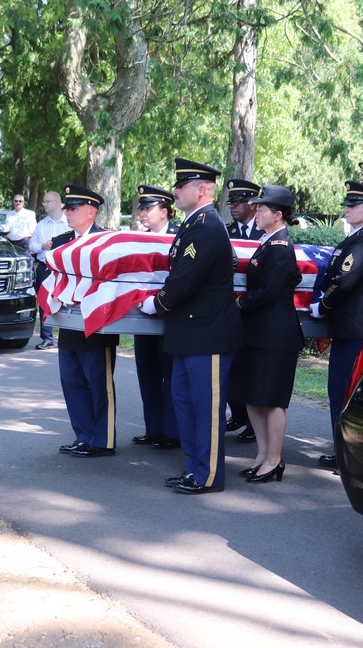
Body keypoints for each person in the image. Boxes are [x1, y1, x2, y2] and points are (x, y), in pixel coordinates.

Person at [139, 159, 242, 494]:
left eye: (181, 186)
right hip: (189, 333)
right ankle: (194, 467)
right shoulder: (193, 224)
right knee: (184, 401)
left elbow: (185, 278)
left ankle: (209, 475)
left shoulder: (207, 226)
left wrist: (158, 303)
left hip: (207, 334)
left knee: (206, 408)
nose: (175, 191)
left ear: (201, 190)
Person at [310, 181, 363, 470]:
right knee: (338, 389)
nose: (347, 209)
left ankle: (351, 455)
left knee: (348, 390)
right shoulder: (357, 237)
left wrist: (323, 305)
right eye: (347, 204)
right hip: (348, 327)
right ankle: (343, 450)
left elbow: (345, 279)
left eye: (353, 205)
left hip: (357, 328)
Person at [230, 186, 304, 484]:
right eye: (256, 208)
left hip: (276, 336)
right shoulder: (268, 243)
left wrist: (236, 303)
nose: (256, 212)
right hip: (258, 333)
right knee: (253, 397)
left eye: (262, 209)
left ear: (278, 214)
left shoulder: (281, 248)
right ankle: (262, 454)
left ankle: (274, 460)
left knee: (272, 400)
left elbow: (268, 292)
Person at [54, 185, 119, 458]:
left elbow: (115, 282)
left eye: (74, 208)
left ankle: (102, 440)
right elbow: (44, 278)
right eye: (66, 208)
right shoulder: (60, 242)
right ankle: (83, 436)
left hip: (97, 324)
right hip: (69, 322)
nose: (67, 212)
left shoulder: (108, 242)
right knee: (72, 380)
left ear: (91, 211)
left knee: (97, 382)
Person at [131, 185, 180, 450]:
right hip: (142, 318)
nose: (143, 214)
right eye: (142, 209)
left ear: (165, 211)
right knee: (147, 375)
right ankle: (154, 428)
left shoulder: (180, 237)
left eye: (148, 209)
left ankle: (172, 432)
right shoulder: (139, 239)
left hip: (170, 317)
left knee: (170, 375)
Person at [223, 179, 264, 442]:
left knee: (253, 367)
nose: (233, 206)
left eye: (238, 202)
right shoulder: (224, 232)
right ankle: (237, 412)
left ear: (252, 204)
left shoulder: (265, 233)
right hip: (229, 309)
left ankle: (253, 422)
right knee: (231, 364)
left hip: (257, 311)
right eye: (231, 202)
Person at [28, 191, 70, 350]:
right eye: (44, 202)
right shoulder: (41, 225)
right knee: (45, 300)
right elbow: (31, 245)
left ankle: (68, 335)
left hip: (65, 268)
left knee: (66, 299)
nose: (44, 204)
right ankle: (47, 338)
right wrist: (42, 246)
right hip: (45, 266)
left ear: (57, 203)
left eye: (47, 201)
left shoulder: (69, 223)